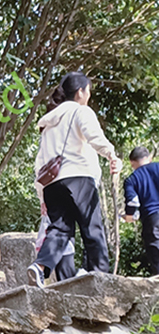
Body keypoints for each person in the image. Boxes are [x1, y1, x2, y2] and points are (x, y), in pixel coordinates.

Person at [27, 72, 122, 287]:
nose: (89, 95)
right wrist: (111, 154)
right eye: (88, 91)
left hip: (52, 184)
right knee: (92, 227)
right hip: (78, 178)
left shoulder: (48, 125)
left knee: (60, 229)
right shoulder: (81, 111)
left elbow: (40, 162)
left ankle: (40, 266)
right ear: (80, 92)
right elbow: (94, 136)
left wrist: (42, 196)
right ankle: (100, 276)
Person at [123, 146, 159, 275]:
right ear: (149, 158)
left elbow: (132, 202)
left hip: (152, 220)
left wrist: (129, 216)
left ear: (132, 163)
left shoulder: (132, 179)